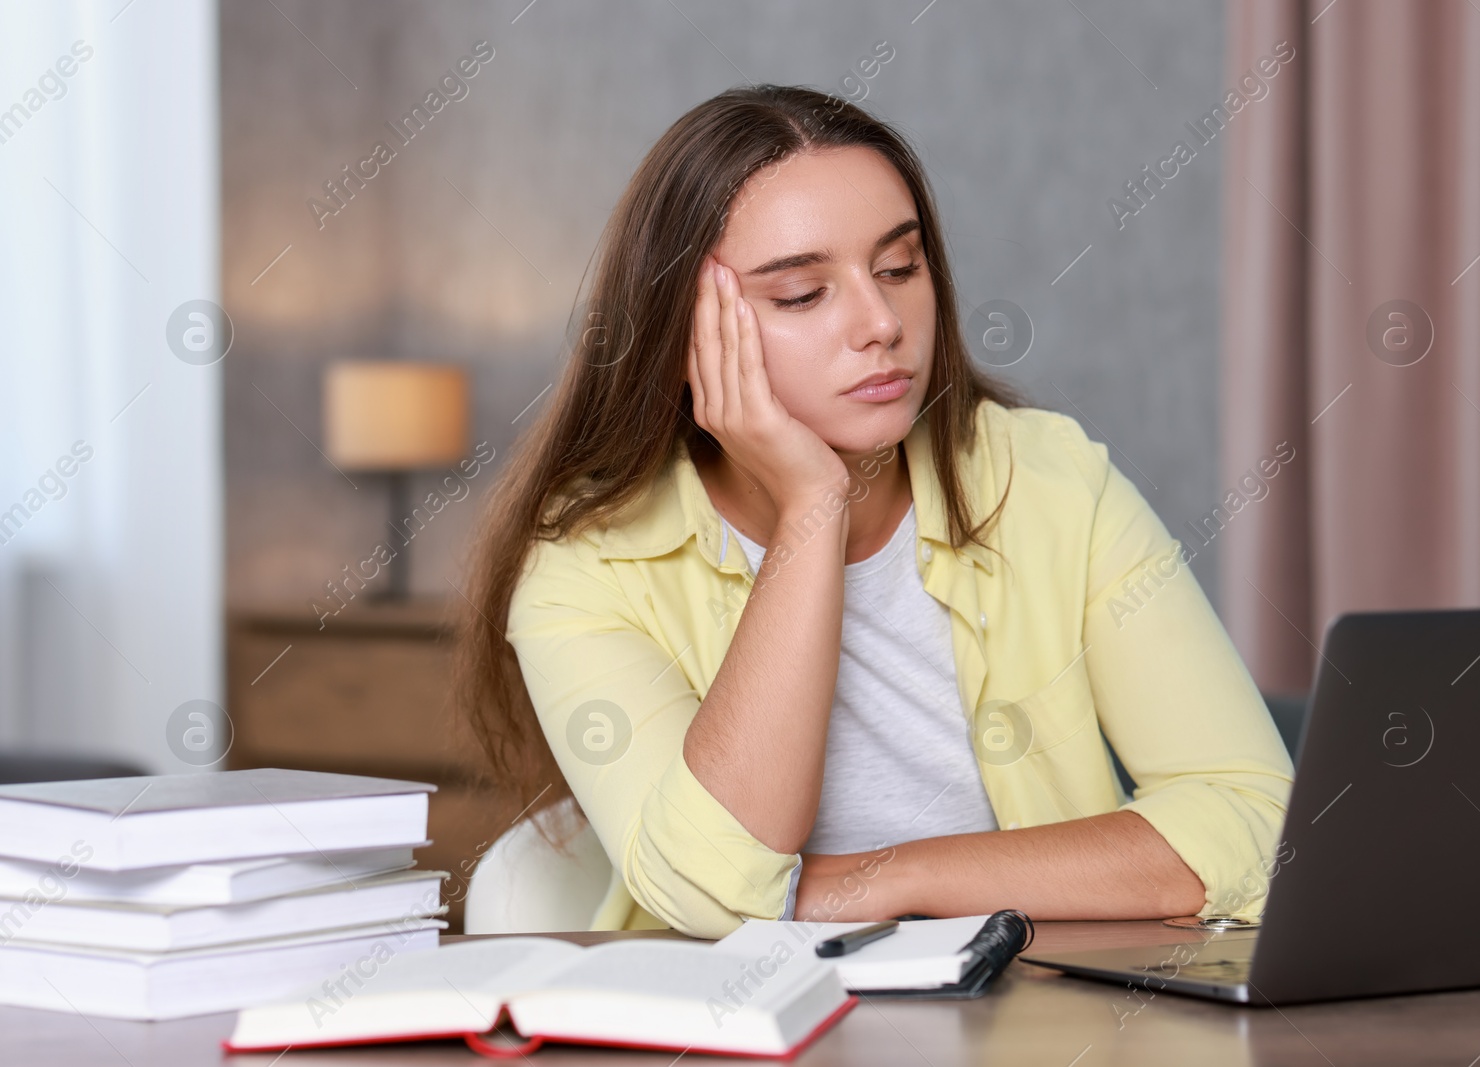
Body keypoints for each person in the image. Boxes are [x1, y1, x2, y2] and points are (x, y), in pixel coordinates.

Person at [452, 84, 1294, 940]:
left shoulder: (1049, 481)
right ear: (684, 337)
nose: (882, 322)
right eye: (802, 295)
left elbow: (1260, 823)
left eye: (899, 268)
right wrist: (812, 504)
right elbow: (717, 892)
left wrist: (897, 877)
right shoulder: (587, 560)